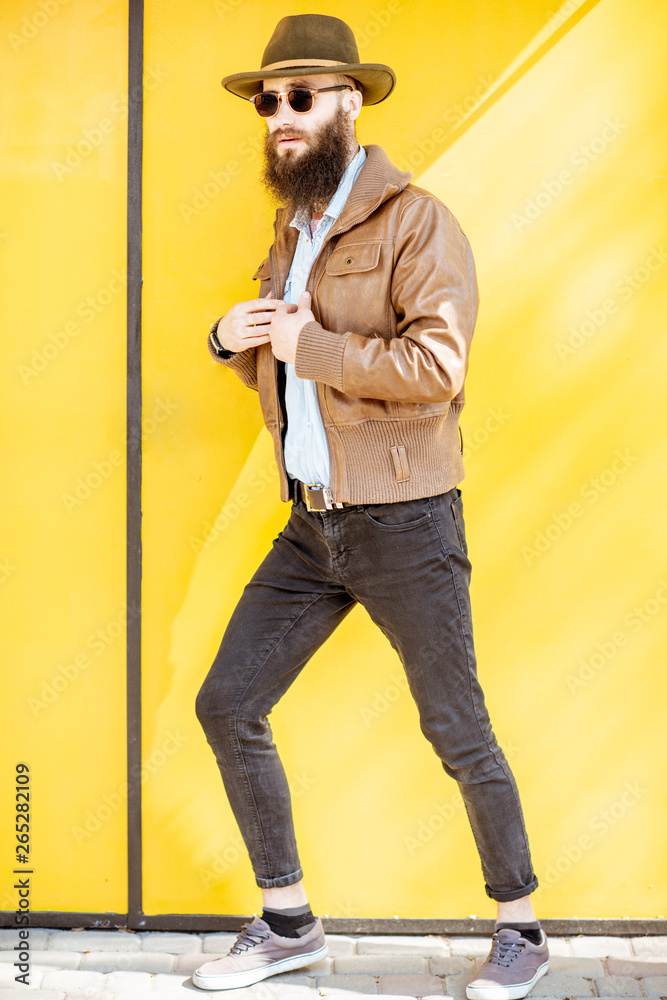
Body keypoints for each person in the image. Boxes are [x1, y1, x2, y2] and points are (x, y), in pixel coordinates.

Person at [193, 14, 549, 999]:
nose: (279, 118)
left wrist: (310, 348)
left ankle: (520, 925)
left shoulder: (417, 221)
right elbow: (291, 377)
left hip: (405, 521)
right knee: (228, 702)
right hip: (313, 523)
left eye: (299, 97)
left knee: (455, 725)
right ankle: (289, 920)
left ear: (351, 103)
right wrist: (231, 341)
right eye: (268, 101)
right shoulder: (293, 228)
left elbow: (435, 369)